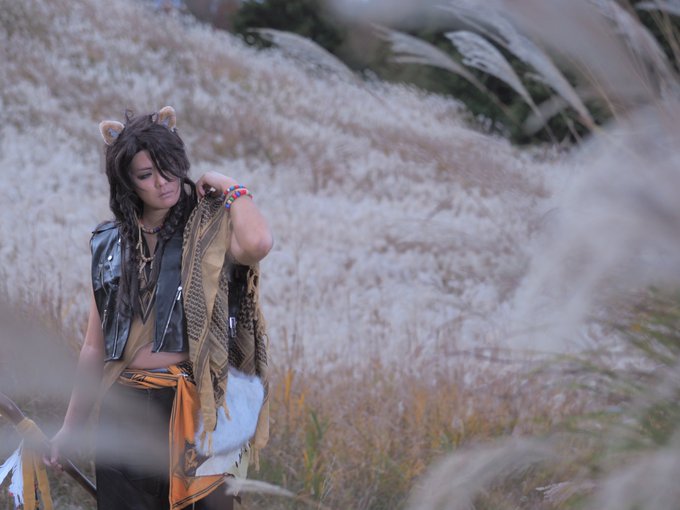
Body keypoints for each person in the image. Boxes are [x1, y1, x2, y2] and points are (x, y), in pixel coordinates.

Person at [46, 106, 273, 509]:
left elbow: (258, 243)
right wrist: (70, 429)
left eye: (168, 167)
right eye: (146, 174)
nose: (162, 181)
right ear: (127, 182)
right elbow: (95, 347)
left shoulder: (208, 232)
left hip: (194, 411)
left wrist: (225, 183)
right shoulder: (108, 243)